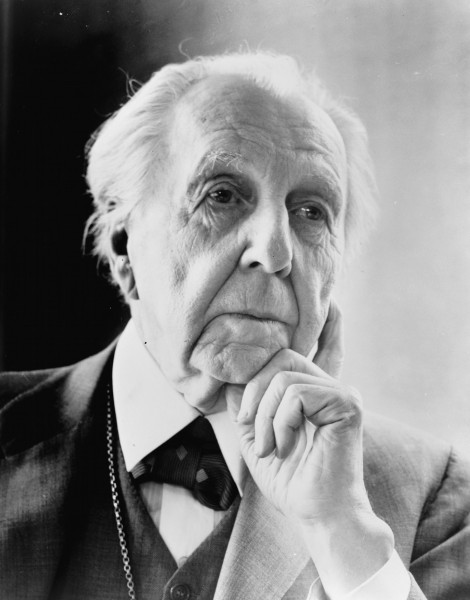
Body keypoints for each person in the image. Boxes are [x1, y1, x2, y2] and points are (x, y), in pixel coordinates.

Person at [0, 52, 469, 600]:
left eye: (311, 212)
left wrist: (340, 531)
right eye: (221, 195)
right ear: (125, 246)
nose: (276, 252)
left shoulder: (435, 496)